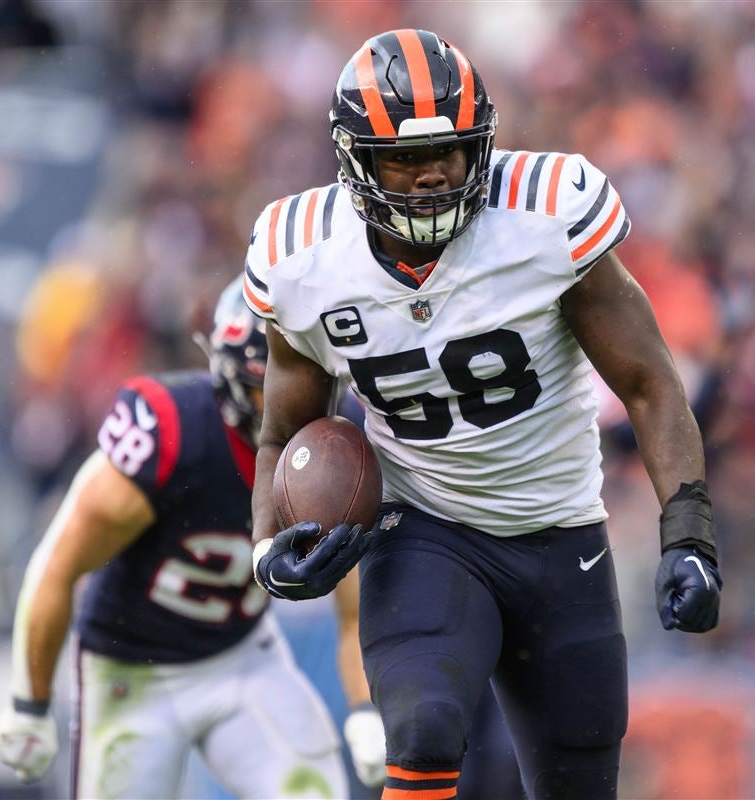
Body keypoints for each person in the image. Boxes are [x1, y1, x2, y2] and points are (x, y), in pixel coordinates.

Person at [244, 29, 722, 800]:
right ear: (355, 159)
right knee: (425, 732)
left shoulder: (546, 216)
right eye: (402, 157)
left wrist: (689, 535)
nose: (432, 175)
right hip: (424, 529)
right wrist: (269, 544)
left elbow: (650, 383)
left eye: (450, 153)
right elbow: (282, 433)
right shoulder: (304, 260)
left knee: (579, 782)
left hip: (561, 531)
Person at [0, 280, 386, 798]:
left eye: (306, 378)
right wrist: (29, 701)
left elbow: (354, 607)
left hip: (242, 656)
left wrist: (363, 709)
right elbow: (58, 565)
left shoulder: (330, 450)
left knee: (314, 792)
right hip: (132, 670)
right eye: (275, 384)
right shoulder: (174, 432)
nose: (294, 401)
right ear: (232, 379)